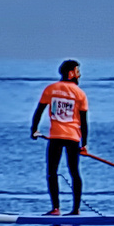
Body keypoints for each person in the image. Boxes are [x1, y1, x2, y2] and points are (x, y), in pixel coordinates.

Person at [31, 59, 89, 215]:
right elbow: (84, 121)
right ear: (71, 73)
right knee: (74, 172)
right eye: (77, 71)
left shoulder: (51, 89)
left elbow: (39, 112)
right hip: (73, 138)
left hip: (56, 137)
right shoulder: (79, 93)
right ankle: (76, 209)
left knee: (52, 172)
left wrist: (34, 130)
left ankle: (56, 208)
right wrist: (85, 144)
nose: (79, 74)